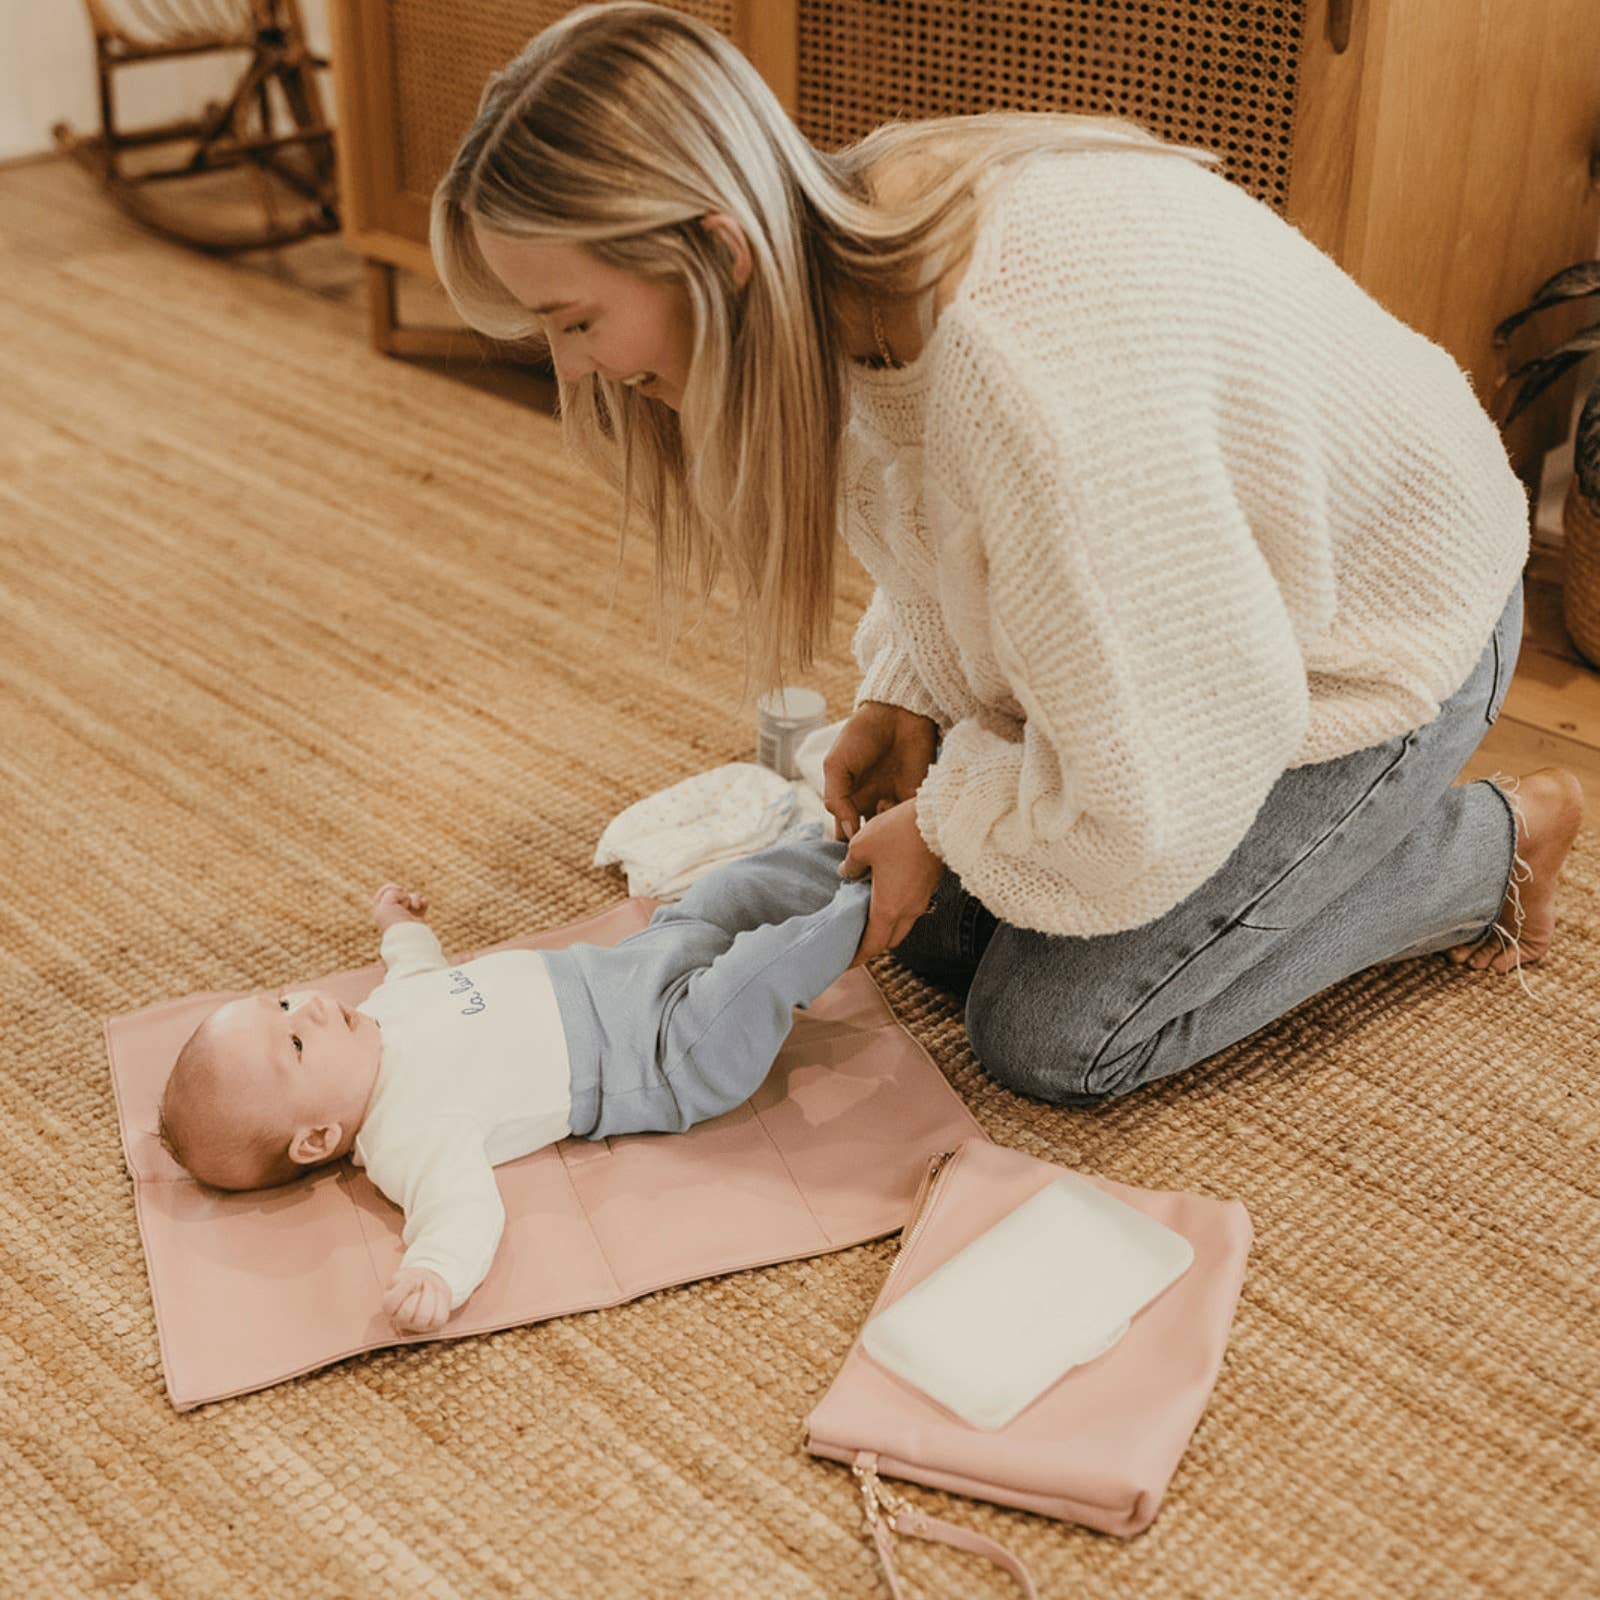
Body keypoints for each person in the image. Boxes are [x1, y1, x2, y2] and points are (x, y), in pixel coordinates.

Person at [430, 3, 1584, 1107]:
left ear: (718, 252)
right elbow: (947, 524)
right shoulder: (840, 252)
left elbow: (1166, 770)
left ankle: (1486, 849)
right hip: (1213, 619)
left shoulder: (1029, 379)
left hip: (1390, 635)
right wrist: (909, 690)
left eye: (576, 321)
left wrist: (946, 821)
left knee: (1054, 1035)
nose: (571, 369)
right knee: (938, 931)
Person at [157, 842, 870, 1333]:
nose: (308, 1006)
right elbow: (460, 1212)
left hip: (639, 960)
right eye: (296, 1042)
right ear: (317, 1138)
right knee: (759, 971)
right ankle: (874, 900)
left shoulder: (379, 1015)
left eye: (282, 1002)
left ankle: (852, 843)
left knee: (733, 889)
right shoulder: (407, 1133)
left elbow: (417, 968)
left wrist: (396, 924)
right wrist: (434, 1273)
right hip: (662, 1051)